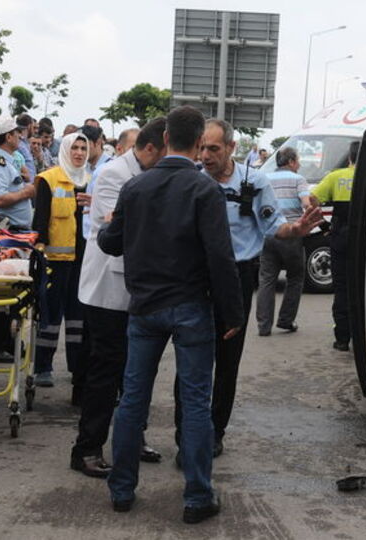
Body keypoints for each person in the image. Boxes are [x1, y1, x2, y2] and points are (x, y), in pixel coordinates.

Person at [100, 105, 243, 523]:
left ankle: (122, 489)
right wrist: (231, 313)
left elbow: (111, 243)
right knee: (196, 402)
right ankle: (198, 497)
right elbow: (221, 256)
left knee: (132, 400)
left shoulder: (136, 188)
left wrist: (113, 226)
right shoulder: (205, 191)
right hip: (191, 308)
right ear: (199, 144)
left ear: (165, 140)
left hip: (144, 309)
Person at [183, 119, 322, 459]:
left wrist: (297, 229)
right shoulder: (193, 181)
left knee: (227, 360)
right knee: (191, 360)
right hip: (197, 278)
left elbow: (275, 228)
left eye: (213, 149)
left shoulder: (255, 181)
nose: (205, 156)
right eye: (202, 148)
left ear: (232, 148)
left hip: (237, 277)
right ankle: (185, 436)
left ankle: (215, 432)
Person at [72, 117, 167, 478]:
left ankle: (131, 438)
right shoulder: (114, 174)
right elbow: (117, 228)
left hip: (139, 287)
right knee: (106, 371)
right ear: (149, 149)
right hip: (108, 290)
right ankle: (87, 448)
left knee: (138, 372)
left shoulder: (148, 174)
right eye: (164, 156)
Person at [31, 131, 91, 389]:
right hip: (55, 260)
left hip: (83, 261)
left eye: (83, 148)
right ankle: (43, 367)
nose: (79, 153)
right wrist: (40, 252)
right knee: (51, 315)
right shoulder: (48, 179)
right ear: (65, 149)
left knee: (78, 318)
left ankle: (78, 369)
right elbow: (40, 220)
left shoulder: (91, 180)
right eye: (74, 148)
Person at [0, 116, 39, 363]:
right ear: (8, 136)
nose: (20, 136)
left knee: (10, 291)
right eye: (17, 132)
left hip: (12, 234)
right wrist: (27, 191)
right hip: (3, 234)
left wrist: (23, 180)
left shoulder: (5, 160)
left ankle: (6, 342)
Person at [256, 147, 313, 336]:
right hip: (291, 234)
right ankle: (285, 320)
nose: (299, 164)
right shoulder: (298, 179)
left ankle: (263, 326)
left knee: (266, 279)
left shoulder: (264, 179)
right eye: (297, 160)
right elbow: (306, 204)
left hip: (269, 235)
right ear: (290, 162)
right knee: (295, 277)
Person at [311, 140, 359, 351]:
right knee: (363, 286)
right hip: (364, 240)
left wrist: (324, 225)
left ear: (350, 158)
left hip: (340, 237)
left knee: (341, 288)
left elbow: (312, 199)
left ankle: (342, 338)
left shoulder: (336, 177)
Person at [15, 114, 37, 181]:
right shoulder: (18, 144)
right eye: (33, 127)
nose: (35, 131)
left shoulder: (25, 144)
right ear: (29, 126)